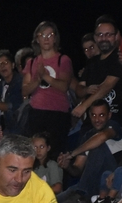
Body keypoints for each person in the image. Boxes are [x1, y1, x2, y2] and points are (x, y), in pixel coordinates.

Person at [23, 21, 75, 154]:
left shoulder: (63, 60)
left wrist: (46, 77)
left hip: (57, 114)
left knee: (55, 153)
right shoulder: (32, 62)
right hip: (37, 113)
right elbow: (24, 90)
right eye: (42, 35)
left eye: (50, 35)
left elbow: (64, 86)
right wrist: (37, 79)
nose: (46, 39)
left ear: (55, 38)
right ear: (37, 39)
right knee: (35, 155)